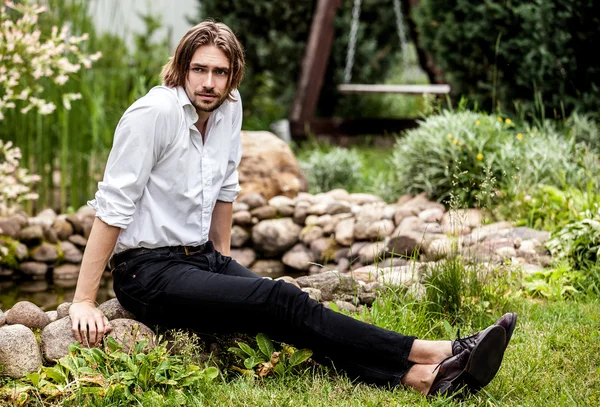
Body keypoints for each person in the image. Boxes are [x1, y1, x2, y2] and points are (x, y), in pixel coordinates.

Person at [69, 20, 517, 398]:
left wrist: (221, 260)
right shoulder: (152, 114)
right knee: (278, 298)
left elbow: (226, 185)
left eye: (220, 73)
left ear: (233, 76)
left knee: (292, 306)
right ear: (181, 69)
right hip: (145, 273)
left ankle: (420, 380)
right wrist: (84, 300)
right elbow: (114, 206)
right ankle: (433, 350)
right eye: (199, 70)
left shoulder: (228, 108)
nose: (209, 82)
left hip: (198, 257)